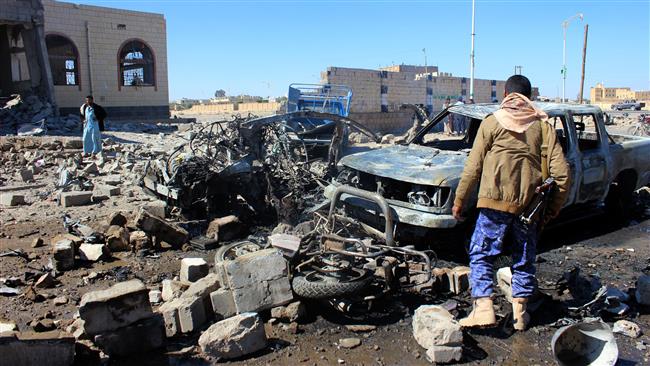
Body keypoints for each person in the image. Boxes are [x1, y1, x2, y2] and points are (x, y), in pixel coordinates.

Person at [452, 75, 570, 331]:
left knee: (481, 253)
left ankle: (483, 307)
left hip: (493, 204)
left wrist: (460, 200)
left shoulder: (492, 122)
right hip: (530, 208)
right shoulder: (543, 127)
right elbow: (562, 174)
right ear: (529, 97)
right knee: (524, 257)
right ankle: (520, 314)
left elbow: (473, 167)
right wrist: (550, 209)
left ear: (506, 94)